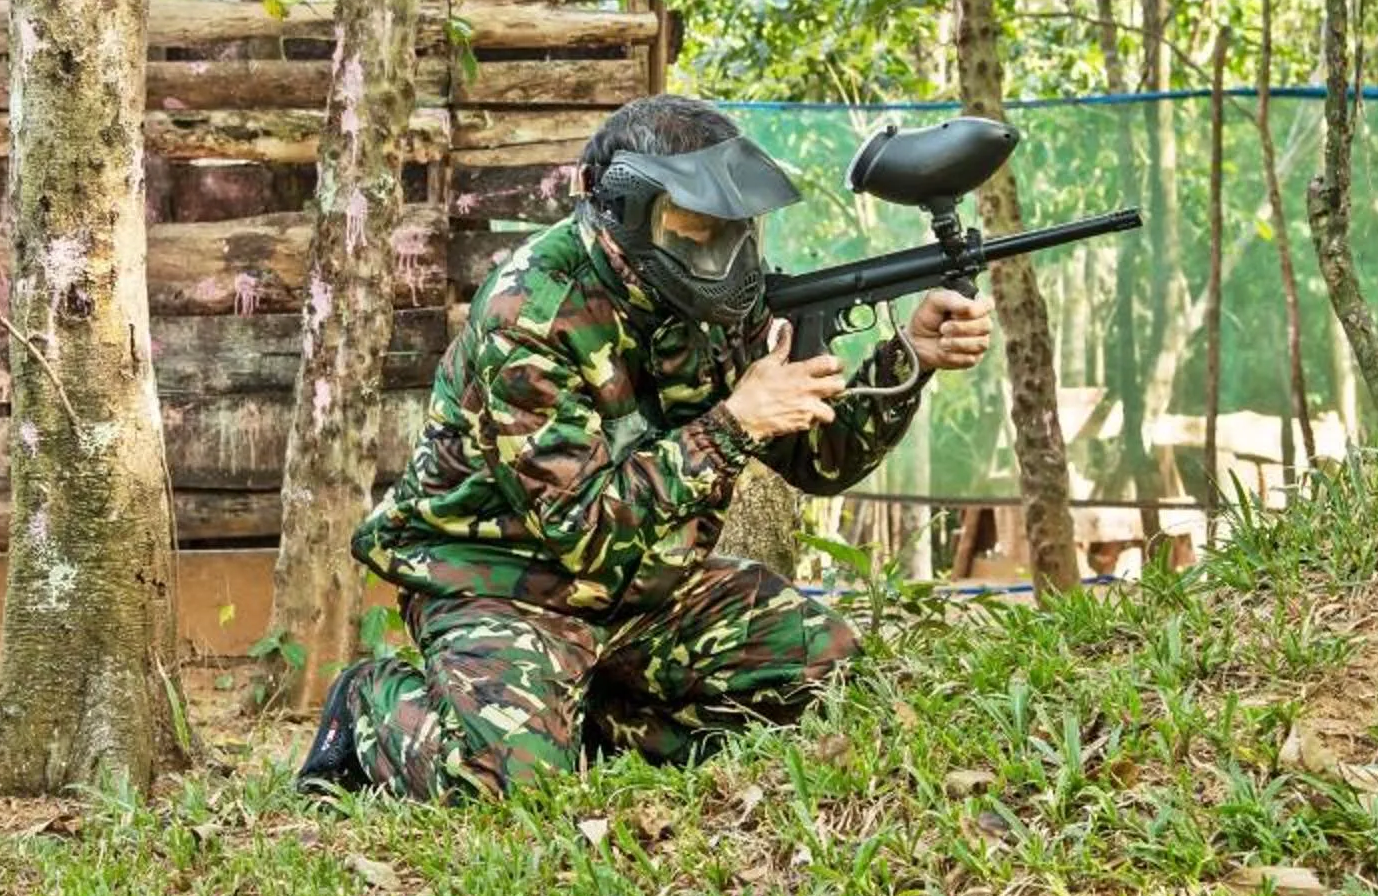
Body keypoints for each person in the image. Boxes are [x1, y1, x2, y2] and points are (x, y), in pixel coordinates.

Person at [297, 95, 995, 800]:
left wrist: (911, 356)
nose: (720, 255)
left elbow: (822, 461)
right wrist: (732, 425)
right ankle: (371, 702)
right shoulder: (532, 314)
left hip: (649, 591)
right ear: (629, 211)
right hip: (499, 588)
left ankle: (585, 713)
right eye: (694, 230)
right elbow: (581, 534)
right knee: (513, 789)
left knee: (827, 675)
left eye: (734, 230)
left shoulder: (724, 300)